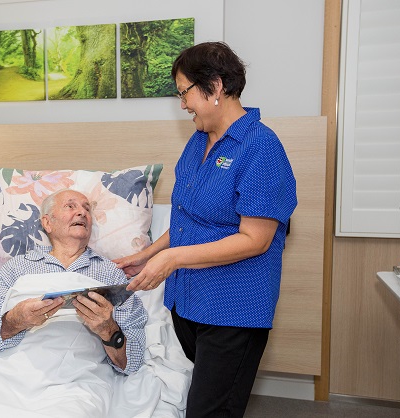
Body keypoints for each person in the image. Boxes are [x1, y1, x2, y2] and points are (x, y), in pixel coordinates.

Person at [115, 42, 297, 418]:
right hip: (188, 302)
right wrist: (147, 255)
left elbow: (256, 240)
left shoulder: (261, 148)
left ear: (214, 87)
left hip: (232, 309)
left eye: (185, 93)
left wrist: (172, 258)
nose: (183, 104)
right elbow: (187, 219)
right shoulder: (198, 142)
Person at [0, 189, 148, 375]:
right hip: (11, 373)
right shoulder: (17, 268)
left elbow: (132, 364)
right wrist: (14, 321)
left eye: (87, 209)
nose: (82, 212)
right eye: (70, 206)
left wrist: (109, 330)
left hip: (78, 380)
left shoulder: (111, 274)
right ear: (47, 223)